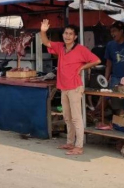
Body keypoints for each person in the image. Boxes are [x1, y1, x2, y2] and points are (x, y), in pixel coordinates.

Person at [40, 19, 100, 156]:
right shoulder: (60, 47)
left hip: (74, 87)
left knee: (76, 118)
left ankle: (79, 146)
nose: (67, 36)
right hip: (64, 87)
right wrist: (43, 31)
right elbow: (46, 43)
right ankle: (69, 142)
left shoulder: (81, 49)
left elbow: (97, 60)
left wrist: (82, 67)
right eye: (65, 33)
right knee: (67, 117)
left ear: (75, 37)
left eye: (70, 34)